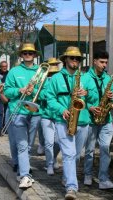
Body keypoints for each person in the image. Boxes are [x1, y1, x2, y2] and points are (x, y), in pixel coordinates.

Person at [46, 47, 98, 199]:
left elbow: (94, 98)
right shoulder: (56, 78)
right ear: (65, 59)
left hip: (83, 121)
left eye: (78, 59)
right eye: (72, 58)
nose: (75, 61)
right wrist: (61, 109)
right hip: (63, 121)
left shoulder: (86, 78)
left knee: (75, 156)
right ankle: (71, 188)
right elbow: (50, 98)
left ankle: (67, 177)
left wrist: (87, 93)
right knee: (69, 154)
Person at [4, 43, 41, 189]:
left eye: (30, 53)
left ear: (35, 55)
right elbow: (7, 92)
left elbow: (45, 93)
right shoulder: (14, 71)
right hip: (18, 110)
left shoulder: (40, 71)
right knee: (22, 145)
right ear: (21, 55)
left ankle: (22, 168)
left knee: (29, 145)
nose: (27, 55)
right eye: (25, 53)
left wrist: (34, 91)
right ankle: (25, 174)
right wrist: (20, 90)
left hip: (36, 112)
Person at [84, 50, 113, 189]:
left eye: (106, 62)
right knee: (89, 149)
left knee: (105, 148)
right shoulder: (85, 78)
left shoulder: (108, 79)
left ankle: (103, 179)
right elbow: (79, 99)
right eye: (102, 62)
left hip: (106, 119)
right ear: (94, 61)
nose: (104, 65)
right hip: (90, 119)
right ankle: (88, 175)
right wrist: (90, 107)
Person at [38, 58, 61, 175]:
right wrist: (47, 95)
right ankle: (49, 164)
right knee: (48, 142)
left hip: (58, 115)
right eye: (51, 72)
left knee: (59, 142)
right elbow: (38, 95)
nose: (53, 74)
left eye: (55, 72)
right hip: (46, 115)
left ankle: (53, 158)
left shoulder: (60, 80)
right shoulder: (42, 80)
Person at [0, 61, 9, 136]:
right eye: (3, 66)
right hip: (0, 96)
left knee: (7, 112)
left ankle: (5, 128)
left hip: (7, 95)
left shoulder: (10, 73)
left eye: (5, 66)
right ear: (0, 66)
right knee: (0, 113)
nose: (4, 67)